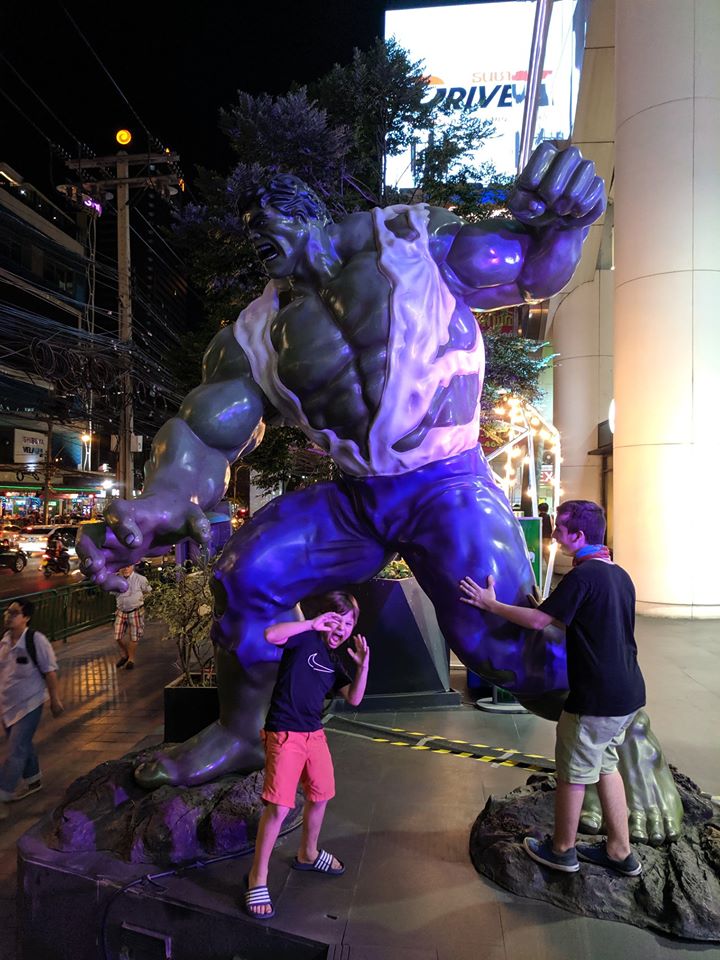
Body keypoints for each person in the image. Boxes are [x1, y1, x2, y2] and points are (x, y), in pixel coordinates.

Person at [74, 145, 679, 843]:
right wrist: (161, 501)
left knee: (499, 644)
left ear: (305, 214)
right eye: (254, 236)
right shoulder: (254, 334)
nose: (263, 245)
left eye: (268, 225)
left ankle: (624, 730)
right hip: (358, 498)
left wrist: (568, 223)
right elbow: (205, 433)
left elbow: (529, 269)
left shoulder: (414, 240)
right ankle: (242, 734)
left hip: (447, 481)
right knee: (248, 572)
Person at [460, 500, 645, 877]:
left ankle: (562, 850)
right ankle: (620, 851)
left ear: (579, 535)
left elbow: (537, 622)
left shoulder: (583, 576)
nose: (555, 535)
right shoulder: (618, 574)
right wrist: (547, 610)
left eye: (560, 529)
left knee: (572, 773)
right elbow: (580, 620)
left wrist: (490, 604)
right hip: (628, 694)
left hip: (595, 699)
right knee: (606, 765)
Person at [245, 591, 369, 920]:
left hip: (314, 734)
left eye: (349, 623)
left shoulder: (334, 661)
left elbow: (354, 698)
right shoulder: (305, 639)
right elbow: (271, 635)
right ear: (325, 618)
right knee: (279, 807)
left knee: (321, 795)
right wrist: (312, 624)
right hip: (285, 732)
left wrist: (363, 667)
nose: (342, 628)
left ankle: (308, 853)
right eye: (337, 619)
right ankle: (257, 876)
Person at [0, 599, 64, 817]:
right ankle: (33, 779)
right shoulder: (5, 642)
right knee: (22, 744)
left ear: (26, 617)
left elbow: (50, 672)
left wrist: (55, 700)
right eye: (7, 611)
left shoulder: (36, 640)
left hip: (30, 704)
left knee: (16, 749)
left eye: (14, 612)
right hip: (8, 706)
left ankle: (3, 792)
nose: (8, 615)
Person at [112, 564, 152, 670]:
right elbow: (113, 593)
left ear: (133, 567)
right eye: (123, 566)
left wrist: (141, 601)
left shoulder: (140, 579)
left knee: (134, 637)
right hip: (121, 611)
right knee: (117, 636)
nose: (126, 568)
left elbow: (149, 591)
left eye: (128, 566)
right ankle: (126, 655)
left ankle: (131, 659)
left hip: (136, 611)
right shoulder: (115, 580)